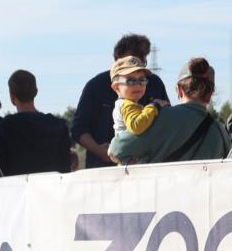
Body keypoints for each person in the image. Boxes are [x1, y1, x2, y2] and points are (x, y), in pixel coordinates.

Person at [71, 34, 170, 168]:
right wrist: (99, 150)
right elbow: (79, 128)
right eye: (133, 58)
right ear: (117, 58)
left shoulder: (154, 83)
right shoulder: (95, 86)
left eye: (142, 59)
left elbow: (167, 119)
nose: (137, 63)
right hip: (102, 172)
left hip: (148, 168)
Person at [110, 58, 231, 164]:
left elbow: (116, 150)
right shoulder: (220, 131)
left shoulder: (160, 117)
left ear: (179, 90)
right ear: (210, 94)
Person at [0, 70, 71, 176]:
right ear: (36, 92)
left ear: (12, 96)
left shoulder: (5, 128)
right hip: (53, 191)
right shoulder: (59, 126)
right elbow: (66, 169)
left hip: (18, 191)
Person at [110, 56, 168, 135]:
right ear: (116, 87)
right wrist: (154, 106)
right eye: (131, 81)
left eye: (142, 80)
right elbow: (136, 126)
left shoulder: (127, 104)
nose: (138, 85)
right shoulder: (127, 105)